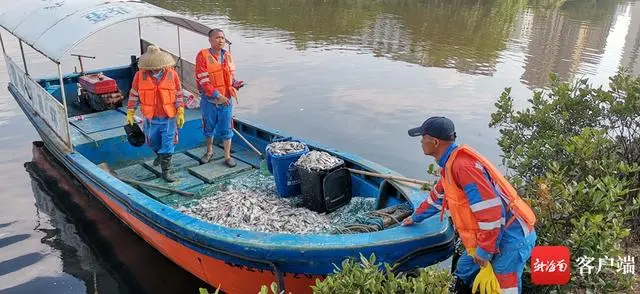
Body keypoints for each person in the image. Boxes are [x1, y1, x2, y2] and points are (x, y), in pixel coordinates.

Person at [402, 116, 537, 294]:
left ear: (434, 142)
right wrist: (415, 217)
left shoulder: (463, 167)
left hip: (511, 238)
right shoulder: (450, 163)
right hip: (492, 235)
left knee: (504, 289)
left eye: (423, 137)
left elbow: (492, 213)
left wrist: (485, 251)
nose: (421, 141)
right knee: (464, 271)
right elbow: (438, 197)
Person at [126, 45, 185, 182]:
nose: (156, 68)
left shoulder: (172, 74)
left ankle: (166, 171)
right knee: (152, 141)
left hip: (169, 116)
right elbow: (134, 94)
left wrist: (180, 110)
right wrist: (130, 111)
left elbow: (179, 94)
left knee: (168, 142)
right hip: (151, 117)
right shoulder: (139, 75)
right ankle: (159, 154)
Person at [195, 28, 244, 167]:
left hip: (226, 101)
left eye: (222, 38)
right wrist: (217, 95)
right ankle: (209, 152)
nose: (220, 40)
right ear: (210, 40)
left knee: (227, 129)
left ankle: (227, 156)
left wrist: (236, 84)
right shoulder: (202, 56)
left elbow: (231, 78)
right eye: (217, 38)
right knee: (208, 127)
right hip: (209, 101)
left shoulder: (227, 56)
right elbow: (203, 81)